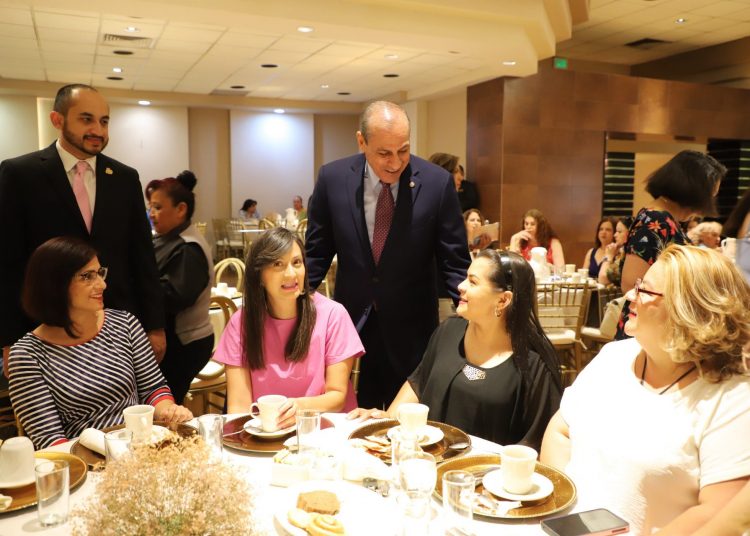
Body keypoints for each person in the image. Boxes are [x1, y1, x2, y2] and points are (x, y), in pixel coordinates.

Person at [541, 244, 750, 535]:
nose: (630, 295)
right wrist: (568, 512)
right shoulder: (614, 357)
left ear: (687, 310)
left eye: (645, 290)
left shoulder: (731, 397)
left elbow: (719, 513)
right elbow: (560, 431)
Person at [305, 101, 471, 409]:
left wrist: (472, 313)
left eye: (403, 150)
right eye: (384, 153)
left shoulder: (436, 183)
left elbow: (454, 261)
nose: (395, 162)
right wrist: (294, 305)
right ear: (362, 142)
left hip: (412, 329)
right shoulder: (333, 179)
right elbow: (316, 254)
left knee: (407, 421)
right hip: (352, 326)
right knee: (354, 417)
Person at [0, 84, 165, 378]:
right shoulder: (20, 174)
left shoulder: (125, 178)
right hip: (47, 328)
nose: (98, 130)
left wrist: (154, 326)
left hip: (116, 326)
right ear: (57, 119)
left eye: (104, 121)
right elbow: (8, 263)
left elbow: (142, 259)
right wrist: (9, 339)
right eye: (86, 119)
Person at [348, 250, 561, 448]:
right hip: (428, 460)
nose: (460, 286)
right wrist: (388, 418)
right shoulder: (449, 331)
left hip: (487, 472)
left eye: (473, 282)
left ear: (503, 300)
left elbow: (539, 441)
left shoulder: (534, 365)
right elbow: (419, 382)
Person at [8, 237, 192, 449]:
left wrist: (168, 410)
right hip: (82, 457)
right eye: (87, 276)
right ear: (54, 284)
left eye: (99, 273)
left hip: (142, 447)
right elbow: (50, 440)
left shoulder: (124, 324)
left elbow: (153, 388)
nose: (102, 285)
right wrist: (108, 453)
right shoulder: (27, 355)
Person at [213, 228, 364, 428]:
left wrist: (299, 407)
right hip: (266, 431)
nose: (291, 274)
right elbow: (239, 407)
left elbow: (337, 396)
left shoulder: (332, 315)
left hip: (324, 430)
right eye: (278, 264)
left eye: (297, 262)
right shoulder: (241, 323)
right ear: (259, 275)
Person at [614, 150, 725, 340]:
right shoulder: (656, 219)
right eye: (710, 195)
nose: (709, 203)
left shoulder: (666, 218)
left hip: (656, 324)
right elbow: (631, 283)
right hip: (648, 327)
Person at [146, 171, 214, 404]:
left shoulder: (188, 248)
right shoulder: (166, 238)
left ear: (181, 209)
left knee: (165, 404)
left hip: (184, 343)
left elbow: (173, 297)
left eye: (158, 207)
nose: (151, 214)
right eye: (150, 207)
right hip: (174, 340)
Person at [598, 216, 632, 286]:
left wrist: (608, 256)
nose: (615, 235)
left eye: (619, 232)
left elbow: (603, 278)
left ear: (630, 234)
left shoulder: (630, 255)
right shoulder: (621, 252)